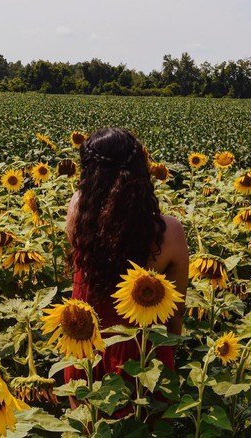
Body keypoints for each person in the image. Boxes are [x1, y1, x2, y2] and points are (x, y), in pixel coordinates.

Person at [64, 127, 189, 416]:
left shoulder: (77, 212)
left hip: (85, 350)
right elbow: (176, 310)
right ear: (140, 171)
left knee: (91, 428)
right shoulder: (169, 232)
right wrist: (170, 350)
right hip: (144, 358)